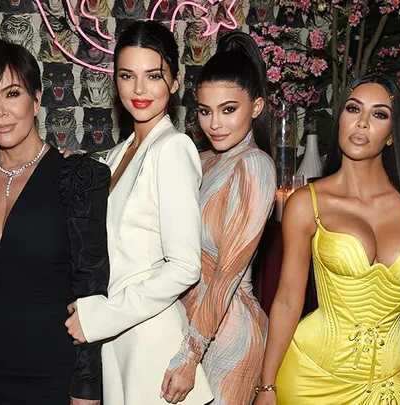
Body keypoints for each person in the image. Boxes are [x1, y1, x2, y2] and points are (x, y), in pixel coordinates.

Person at [0, 38, 110, 405]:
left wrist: (86, 386)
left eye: (12, 93)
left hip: (53, 370)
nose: (0, 111)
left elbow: (93, 288)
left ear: (36, 99)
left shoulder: (78, 177)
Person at [254, 74, 400, 405]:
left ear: (392, 135)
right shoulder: (307, 203)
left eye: (379, 114)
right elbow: (288, 301)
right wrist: (267, 387)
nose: (362, 123)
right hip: (311, 378)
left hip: (390, 384)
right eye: (353, 109)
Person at [64, 21, 213, 405]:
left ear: (176, 82)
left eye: (154, 76)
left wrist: (101, 317)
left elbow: (184, 266)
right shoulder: (117, 155)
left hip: (151, 344)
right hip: (119, 343)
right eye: (127, 76)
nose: (140, 90)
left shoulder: (174, 149)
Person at [160, 31, 277, 405]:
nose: (215, 124)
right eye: (205, 111)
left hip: (227, 337)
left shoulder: (255, 167)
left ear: (256, 107)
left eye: (229, 109)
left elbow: (227, 274)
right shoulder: (204, 159)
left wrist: (190, 353)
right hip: (188, 325)